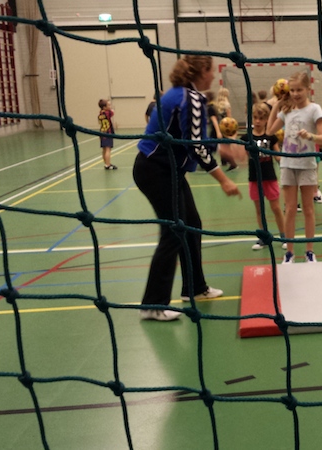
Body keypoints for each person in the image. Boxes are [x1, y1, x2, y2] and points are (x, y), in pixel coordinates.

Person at [134, 54, 241, 322]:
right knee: (173, 232)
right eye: (211, 71)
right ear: (200, 72)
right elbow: (195, 146)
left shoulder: (181, 95)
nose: (213, 75)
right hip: (156, 170)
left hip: (167, 170)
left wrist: (219, 147)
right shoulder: (190, 98)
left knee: (191, 224)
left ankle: (195, 287)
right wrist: (224, 179)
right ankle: (153, 305)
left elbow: (189, 138)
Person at [267, 71, 322, 264]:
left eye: (299, 90)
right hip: (288, 165)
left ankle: (309, 251)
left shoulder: (315, 109)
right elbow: (269, 131)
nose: (295, 94)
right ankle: (290, 252)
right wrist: (277, 105)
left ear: (308, 89)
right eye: (292, 90)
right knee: (290, 209)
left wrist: (310, 136)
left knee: (308, 209)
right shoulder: (287, 111)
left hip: (307, 165)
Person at [229, 103, 286, 250]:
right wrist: (232, 139)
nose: (258, 121)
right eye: (255, 118)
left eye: (261, 118)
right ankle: (264, 237)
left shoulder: (271, 136)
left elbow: (277, 156)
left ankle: (284, 235)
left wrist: (286, 158)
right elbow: (241, 158)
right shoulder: (247, 137)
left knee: (276, 208)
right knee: (259, 210)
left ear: (267, 119)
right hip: (254, 178)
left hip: (270, 177)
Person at [97, 99, 117, 170]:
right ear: (104, 107)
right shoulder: (108, 113)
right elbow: (113, 112)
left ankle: (106, 163)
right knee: (108, 149)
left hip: (102, 132)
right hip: (108, 133)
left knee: (104, 149)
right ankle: (108, 165)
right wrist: (112, 109)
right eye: (108, 105)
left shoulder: (100, 114)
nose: (110, 106)